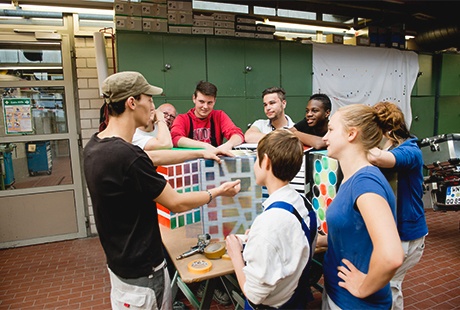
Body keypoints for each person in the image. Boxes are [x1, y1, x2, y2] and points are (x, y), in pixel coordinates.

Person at [83, 71, 241, 310]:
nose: (152, 107)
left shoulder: (97, 145)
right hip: (143, 273)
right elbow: (176, 203)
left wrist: (203, 152)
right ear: (132, 102)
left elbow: (151, 156)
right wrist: (218, 192)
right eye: (149, 99)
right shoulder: (127, 156)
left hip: (121, 264)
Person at [317, 104, 404, 309]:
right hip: (338, 295)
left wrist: (363, 287)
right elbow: (354, 235)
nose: (325, 138)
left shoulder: (365, 183)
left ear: (351, 134)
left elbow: (391, 256)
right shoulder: (353, 178)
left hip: (354, 302)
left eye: (331, 130)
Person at [226, 129, 318, 309]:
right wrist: (260, 239)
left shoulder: (268, 225)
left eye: (256, 159)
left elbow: (254, 294)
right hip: (294, 297)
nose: (254, 165)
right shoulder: (303, 203)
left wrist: (235, 253)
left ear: (266, 161)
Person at [367, 101, 428, 310]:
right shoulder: (390, 145)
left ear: (389, 131)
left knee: (389, 287)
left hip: (407, 236)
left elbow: (380, 158)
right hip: (396, 233)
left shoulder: (411, 150)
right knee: (387, 286)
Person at [170, 80, 244, 152]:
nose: (205, 106)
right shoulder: (182, 119)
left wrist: (228, 145)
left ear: (214, 101)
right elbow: (175, 138)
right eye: (201, 102)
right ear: (194, 98)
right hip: (190, 161)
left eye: (209, 103)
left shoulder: (219, 116)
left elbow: (238, 134)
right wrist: (205, 146)